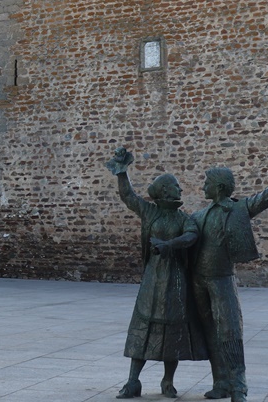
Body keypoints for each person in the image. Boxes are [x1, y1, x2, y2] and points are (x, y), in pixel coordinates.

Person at [191, 144, 268, 402]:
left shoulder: (239, 209)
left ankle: (239, 387)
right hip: (199, 281)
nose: (203, 187)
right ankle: (221, 382)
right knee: (210, 333)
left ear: (218, 187)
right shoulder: (198, 215)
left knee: (230, 333)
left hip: (222, 279)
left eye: (206, 182)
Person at [107, 147, 207, 399]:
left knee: (172, 332)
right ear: (164, 191)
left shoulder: (183, 218)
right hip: (152, 281)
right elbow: (128, 196)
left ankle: (168, 382)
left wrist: (169, 245)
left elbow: (191, 235)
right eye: (176, 186)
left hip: (175, 281)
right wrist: (122, 171)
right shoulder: (150, 212)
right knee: (144, 328)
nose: (180, 190)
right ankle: (133, 381)